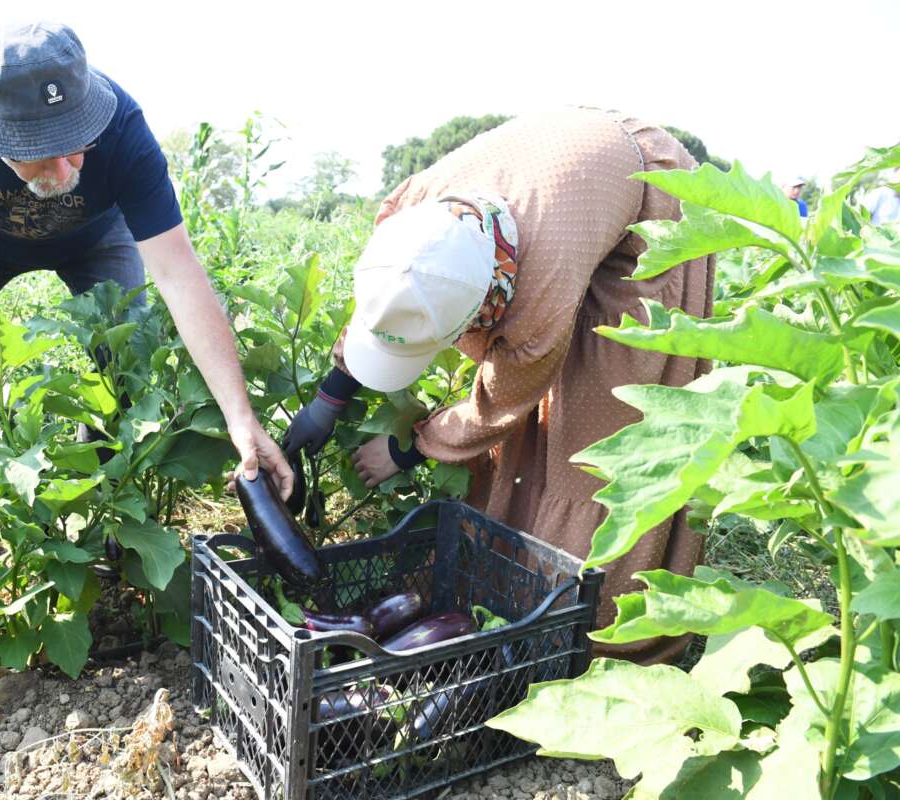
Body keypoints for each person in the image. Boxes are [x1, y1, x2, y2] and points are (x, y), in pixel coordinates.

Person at [284, 108, 715, 665]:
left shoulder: (540, 290)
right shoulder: (409, 217)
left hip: (647, 204)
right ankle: (506, 593)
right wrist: (330, 396)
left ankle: (598, 637)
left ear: (480, 305)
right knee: (543, 427)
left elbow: (503, 406)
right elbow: (390, 296)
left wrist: (407, 448)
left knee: (597, 434)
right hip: (564, 179)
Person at [0, 22, 291, 553]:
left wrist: (241, 418)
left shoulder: (122, 127)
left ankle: (108, 520)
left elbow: (179, 273)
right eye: (39, 152)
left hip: (96, 236)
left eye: (77, 144)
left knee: (126, 350)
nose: (66, 167)